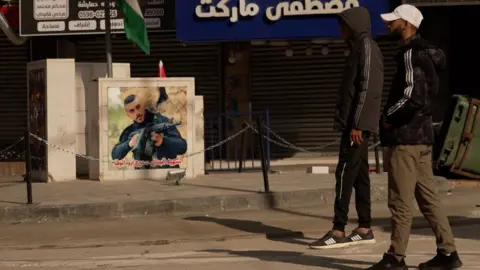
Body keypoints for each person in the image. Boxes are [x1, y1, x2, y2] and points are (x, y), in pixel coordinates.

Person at [367, 4, 463, 270]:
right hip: (422, 136)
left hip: (406, 138)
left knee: (400, 200)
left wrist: (387, 117)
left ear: (406, 23)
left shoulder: (410, 53)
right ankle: (448, 253)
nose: (388, 23)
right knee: (428, 198)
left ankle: (395, 257)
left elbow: (412, 96)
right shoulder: (427, 54)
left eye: (393, 20)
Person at [310, 7, 384, 250]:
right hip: (353, 124)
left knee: (343, 173)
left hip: (356, 126)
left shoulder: (367, 47)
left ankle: (338, 230)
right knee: (360, 175)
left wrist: (359, 124)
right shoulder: (357, 48)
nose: (340, 29)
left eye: (343, 24)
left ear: (354, 25)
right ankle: (364, 228)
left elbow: (367, 89)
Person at [111, 87, 187, 169]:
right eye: (132, 111)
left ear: (143, 106)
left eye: (138, 107)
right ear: (128, 115)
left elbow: (182, 147)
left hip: (166, 172)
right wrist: (128, 144)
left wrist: (163, 141)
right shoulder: (130, 131)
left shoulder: (162, 121)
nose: (137, 113)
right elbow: (115, 155)